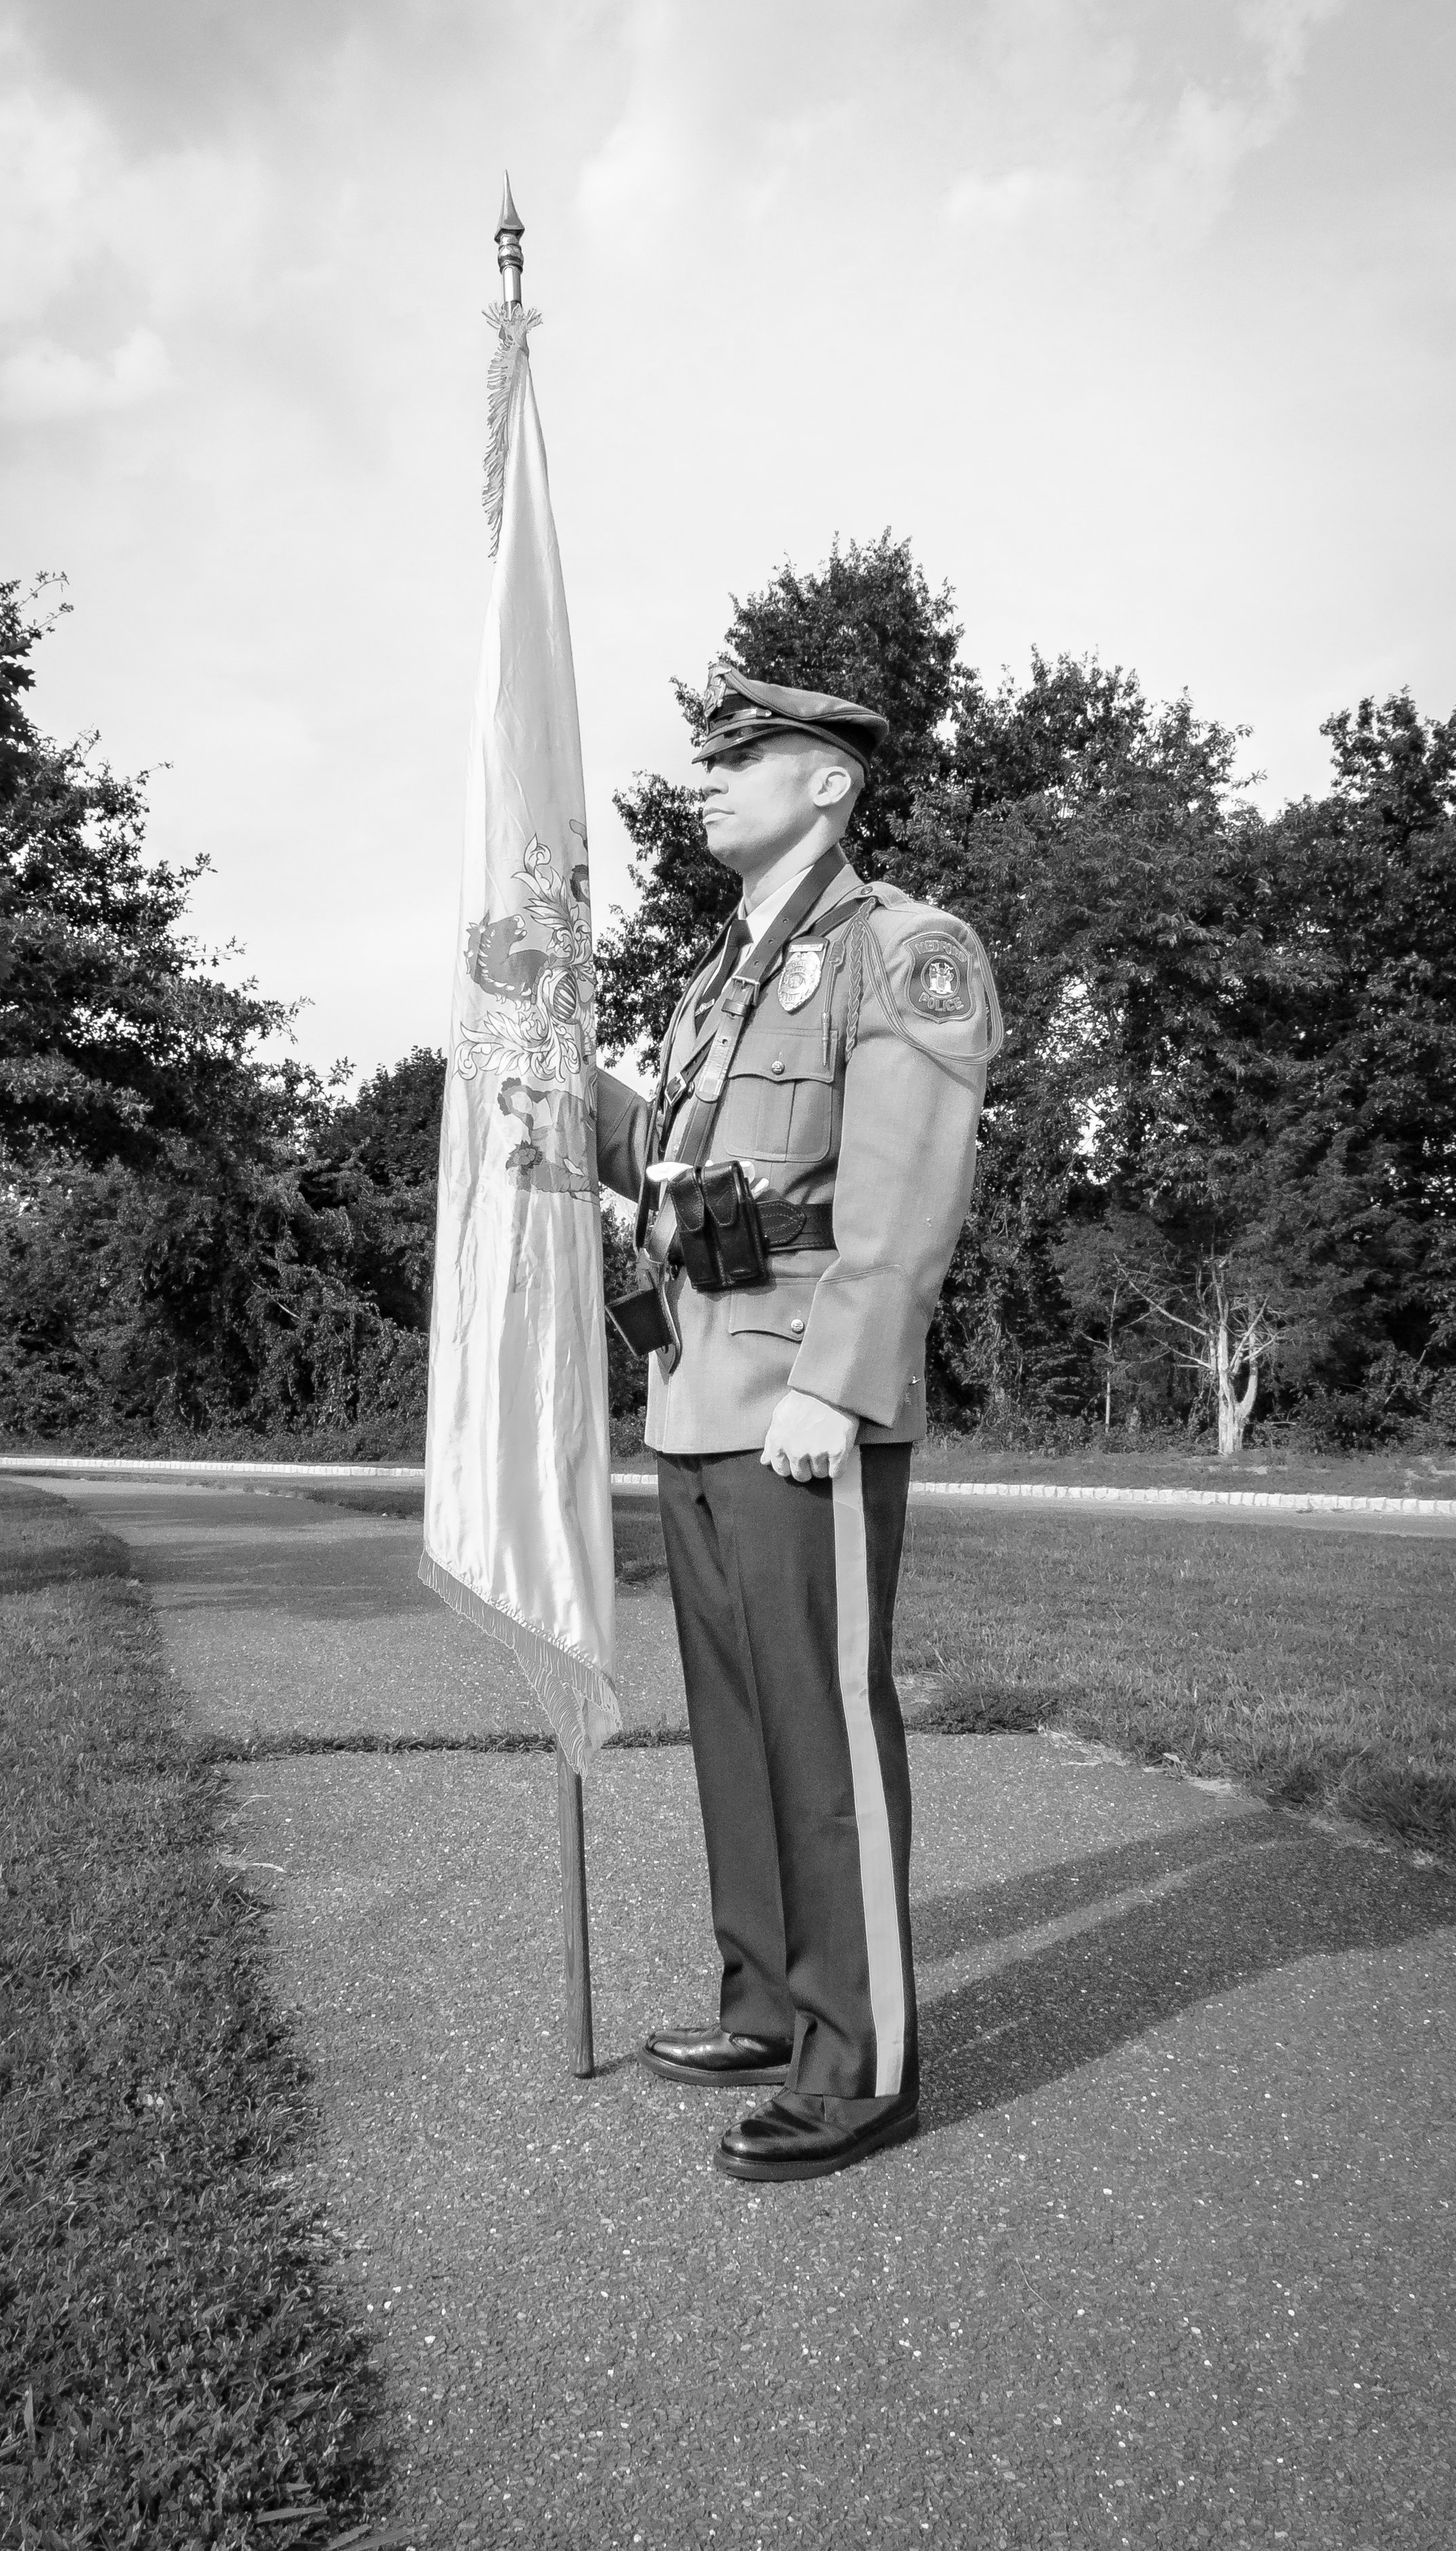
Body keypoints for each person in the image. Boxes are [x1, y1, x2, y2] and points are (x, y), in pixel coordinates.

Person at [595, 661, 1003, 2183]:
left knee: (823, 1732)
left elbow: (902, 1189)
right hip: (695, 1390)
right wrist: (550, 1067)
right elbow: (674, 1160)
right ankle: (769, 2005)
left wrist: (838, 1384)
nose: (701, 779)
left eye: (735, 757)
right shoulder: (719, 976)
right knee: (739, 1730)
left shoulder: (904, 951)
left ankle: (861, 2065)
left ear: (823, 781)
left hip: (796, 1398)